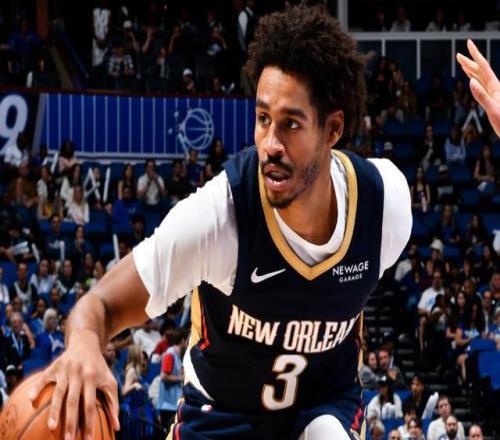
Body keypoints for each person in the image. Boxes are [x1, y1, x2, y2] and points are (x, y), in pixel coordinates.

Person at [29, 5, 412, 439]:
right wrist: (83, 342)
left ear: (332, 129)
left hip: (322, 409)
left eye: (290, 124)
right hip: (220, 417)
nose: (270, 144)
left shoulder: (384, 206)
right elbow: (102, 304)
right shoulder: (218, 218)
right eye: (263, 119)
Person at [157, 328, 189, 428]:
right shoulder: (170, 354)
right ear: (183, 340)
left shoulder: (177, 356)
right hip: (168, 406)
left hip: (173, 405)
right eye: (187, 340)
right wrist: (182, 378)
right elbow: (163, 376)